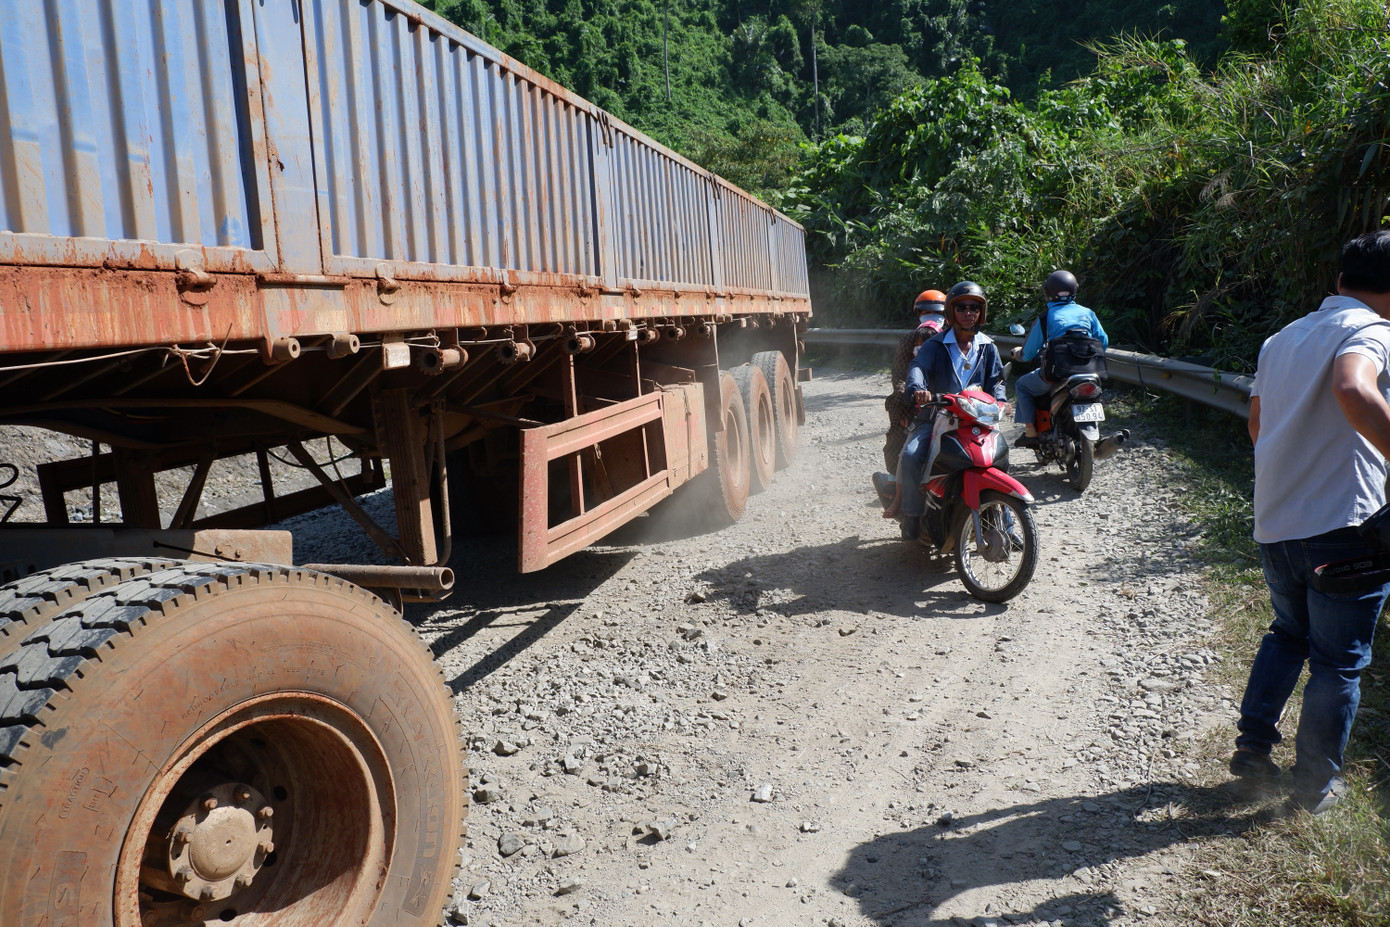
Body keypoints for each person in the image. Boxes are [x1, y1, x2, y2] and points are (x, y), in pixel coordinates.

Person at [1230, 230, 1390, 814]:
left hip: (1278, 520)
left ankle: (1252, 753)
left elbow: (1257, 423)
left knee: (1288, 634)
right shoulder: (1371, 330)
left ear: (1342, 277)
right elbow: (1352, 387)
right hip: (1345, 526)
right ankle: (1314, 786)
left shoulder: (1282, 338)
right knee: (1338, 659)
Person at [884, 281, 1010, 536]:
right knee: (910, 456)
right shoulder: (935, 344)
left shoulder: (988, 347)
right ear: (951, 312)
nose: (968, 313)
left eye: (974, 307)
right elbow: (917, 366)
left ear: (981, 312)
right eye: (962, 307)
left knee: (1001, 460)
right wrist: (918, 388)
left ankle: (1005, 524)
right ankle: (911, 516)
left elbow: (996, 381)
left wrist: (1002, 400)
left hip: (977, 420)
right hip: (935, 415)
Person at [1010, 270, 1109, 448]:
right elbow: (1103, 342)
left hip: (1058, 374)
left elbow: (1029, 353)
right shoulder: (1088, 313)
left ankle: (1030, 431)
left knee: (1022, 385)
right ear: (1074, 290)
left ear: (1048, 292)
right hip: (1090, 372)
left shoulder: (1046, 317)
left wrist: (1017, 353)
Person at [883, 290, 949, 470]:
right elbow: (899, 377)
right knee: (898, 445)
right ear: (919, 314)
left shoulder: (950, 341)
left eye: (937, 313)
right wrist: (908, 402)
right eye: (927, 313)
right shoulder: (908, 341)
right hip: (912, 401)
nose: (932, 316)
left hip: (945, 402)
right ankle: (895, 483)